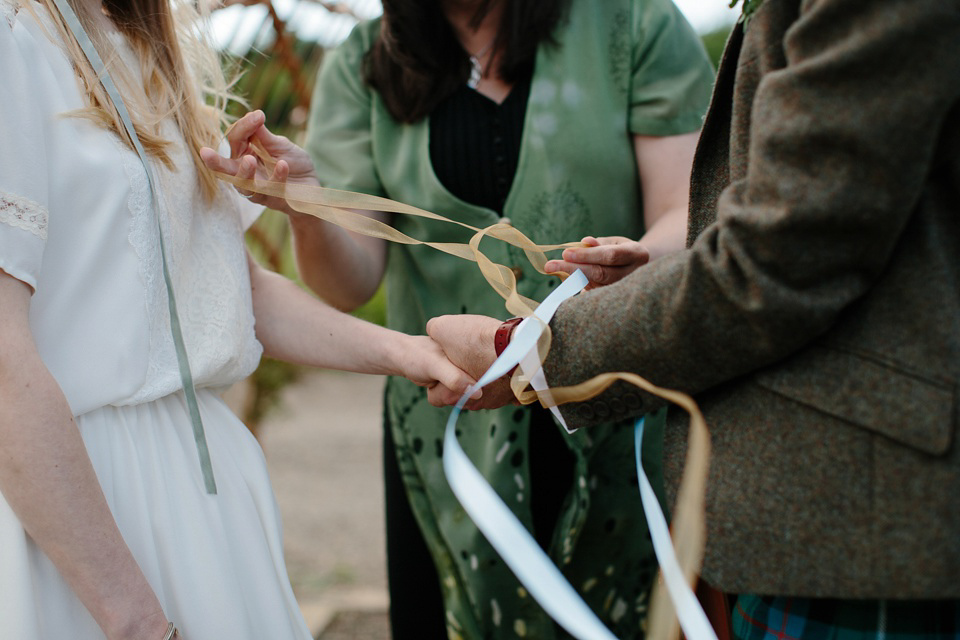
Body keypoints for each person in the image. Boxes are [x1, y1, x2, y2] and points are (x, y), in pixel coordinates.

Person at [426, 0, 960, 637]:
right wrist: (656, 275)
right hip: (817, 520)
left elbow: (782, 260)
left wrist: (532, 351)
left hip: (868, 528)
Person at [205, 0, 714, 636]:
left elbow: (686, 213)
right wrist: (309, 208)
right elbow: (350, 281)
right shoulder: (363, 66)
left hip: (612, 407)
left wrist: (637, 259)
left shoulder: (633, 24)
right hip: (448, 425)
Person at [0, 0, 475, 636]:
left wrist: (410, 354)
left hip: (204, 503)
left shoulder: (145, 48)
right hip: (82, 510)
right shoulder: (14, 40)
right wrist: (135, 620)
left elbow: (229, 291)